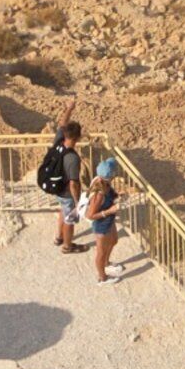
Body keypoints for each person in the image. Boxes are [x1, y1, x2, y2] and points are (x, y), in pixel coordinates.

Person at [34, 113, 86, 252]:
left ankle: (59, 237)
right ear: (77, 138)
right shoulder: (72, 158)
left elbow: (62, 123)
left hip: (56, 189)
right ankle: (67, 246)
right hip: (66, 193)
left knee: (63, 210)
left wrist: (69, 108)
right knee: (69, 219)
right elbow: (73, 184)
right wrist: (77, 202)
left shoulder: (58, 141)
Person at [82, 158, 129, 282]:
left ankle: (107, 264)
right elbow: (90, 215)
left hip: (109, 221)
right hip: (101, 226)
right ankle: (102, 278)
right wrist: (110, 211)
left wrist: (119, 196)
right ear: (110, 175)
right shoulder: (99, 194)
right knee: (101, 253)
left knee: (114, 241)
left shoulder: (105, 183)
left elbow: (111, 196)